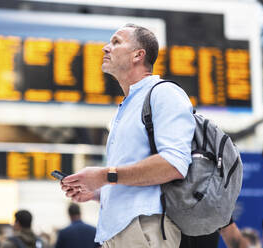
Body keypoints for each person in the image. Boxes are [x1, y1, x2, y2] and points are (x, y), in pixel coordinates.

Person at [61, 23, 196, 247]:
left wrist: (104, 176)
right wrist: (97, 193)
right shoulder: (125, 107)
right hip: (117, 232)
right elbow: (131, 179)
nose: (106, 48)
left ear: (138, 55)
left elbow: (174, 164)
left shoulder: (164, 94)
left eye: (116, 42)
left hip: (144, 230)